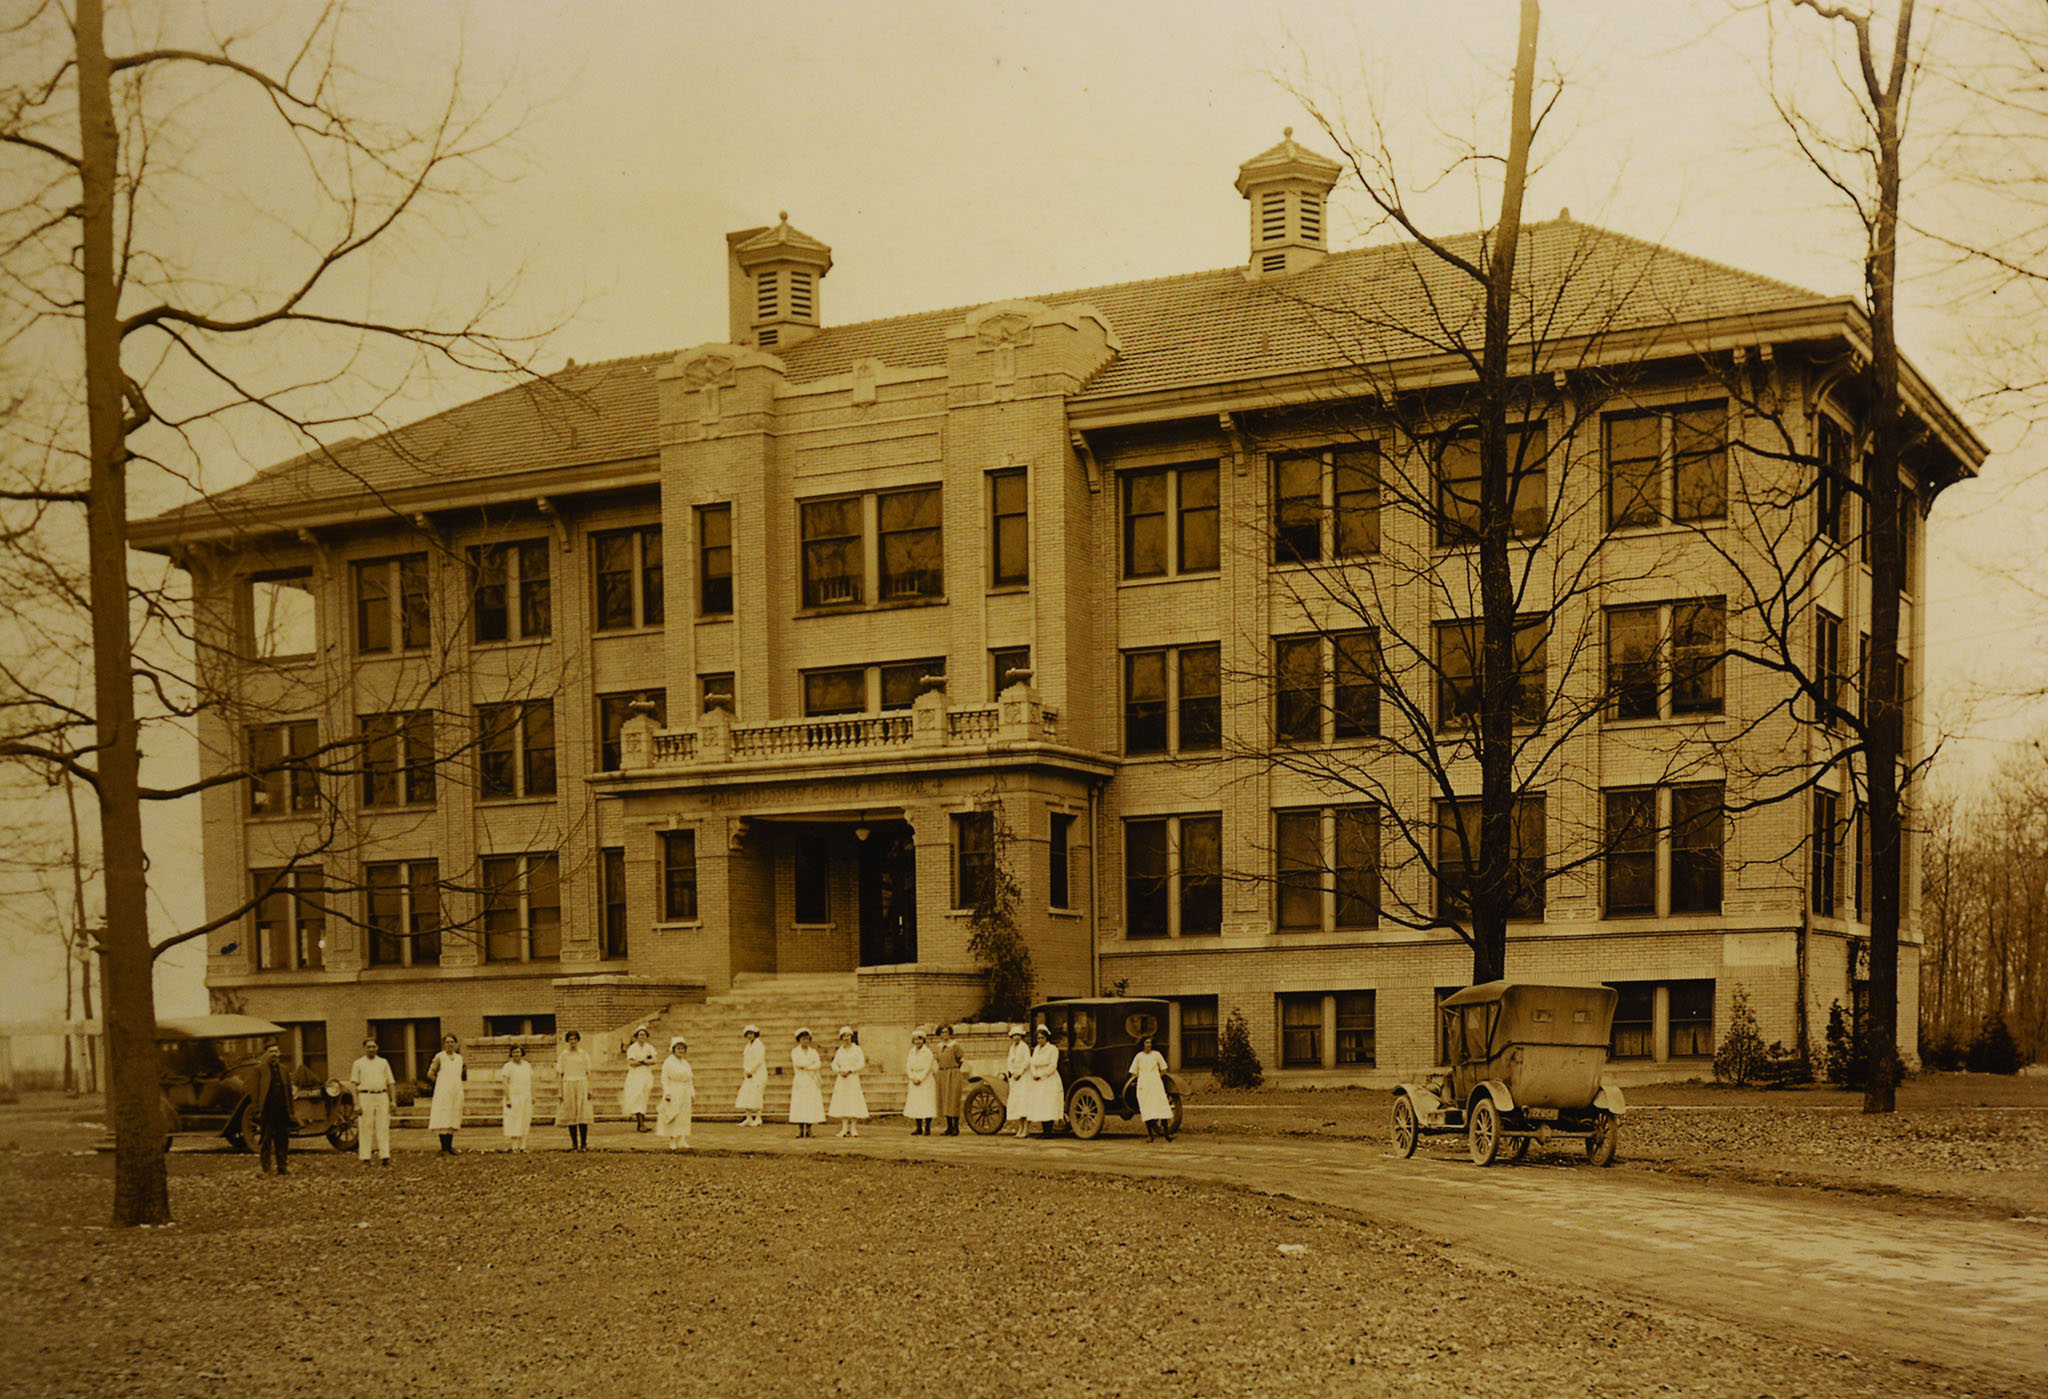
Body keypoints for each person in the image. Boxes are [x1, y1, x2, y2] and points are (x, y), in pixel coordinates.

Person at [249, 1041, 295, 1176]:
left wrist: (291, 1111)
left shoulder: (284, 1069)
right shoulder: (259, 1070)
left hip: (282, 1110)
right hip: (267, 1110)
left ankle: (282, 1167)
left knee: (283, 1140)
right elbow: (255, 1092)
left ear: (279, 1053)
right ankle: (266, 1168)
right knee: (266, 1140)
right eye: (271, 1052)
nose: (274, 1054)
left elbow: (288, 1091)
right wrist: (256, 1110)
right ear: (266, 1054)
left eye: (276, 1051)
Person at [349, 1036, 396, 1166]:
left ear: (377, 1048)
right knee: (365, 1127)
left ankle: (385, 1156)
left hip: (381, 1096)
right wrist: (356, 1103)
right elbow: (353, 1084)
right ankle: (365, 1157)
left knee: (383, 1126)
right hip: (365, 1096)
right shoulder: (358, 1063)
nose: (371, 1049)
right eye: (368, 1047)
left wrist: (393, 1101)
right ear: (364, 1048)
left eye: (373, 1046)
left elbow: (391, 1082)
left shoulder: (383, 1062)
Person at [426, 1034, 466, 1155]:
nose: (450, 1044)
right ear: (444, 1044)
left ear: (455, 1044)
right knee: (443, 1117)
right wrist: (440, 1084)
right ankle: (443, 1148)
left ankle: (450, 1146)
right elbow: (430, 1073)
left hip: (456, 1091)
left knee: (453, 1117)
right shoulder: (440, 1057)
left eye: (452, 1042)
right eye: (447, 1042)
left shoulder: (459, 1058)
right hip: (443, 1092)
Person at [555, 1029, 594, 1151]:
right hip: (568, 1084)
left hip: (582, 1083)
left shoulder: (583, 1054)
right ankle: (574, 1143)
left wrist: (589, 1089)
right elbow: (560, 1074)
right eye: (570, 1039)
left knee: (582, 1113)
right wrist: (560, 1091)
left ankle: (584, 1143)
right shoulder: (563, 1055)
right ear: (567, 1041)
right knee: (571, 1113)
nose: (573, 1042)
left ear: (578, 1040)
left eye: (575, 1039)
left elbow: (588, 1073)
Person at [1132, 1034, 1173, 1141]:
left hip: (1156, 1084)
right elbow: (1133, 1072)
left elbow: (1164, 1069)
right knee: (1147, 1109)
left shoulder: (1157, 1055)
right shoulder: (1139, 1056)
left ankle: (1167, 1134)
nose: (1148, 1045)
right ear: (1142, 1044)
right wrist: (1142, 1077)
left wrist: (1155, 1077)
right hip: (1144, 1086)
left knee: (1161, 1107)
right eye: (1146, 1042)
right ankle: (1150, 1135)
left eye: (1150, 1042)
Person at [829, 1026, 868, 1138]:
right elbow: (834, 1064)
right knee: (843, 1102)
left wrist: (851, 1070)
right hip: (842, 1079)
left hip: (852, 1078)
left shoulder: (857, 1049)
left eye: (848, 1035)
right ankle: (844, 1128)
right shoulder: (840, 1051)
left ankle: (854, 1128)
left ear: (851, 1037)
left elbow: (861, 1063)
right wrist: (839, 1071)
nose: (846, 1038)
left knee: (853, 1101)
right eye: (844, 1036)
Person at [657, 1037, 695, 1150]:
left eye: (683, 1048)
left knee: (684, 1115)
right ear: (673, 1049)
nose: (681, 1051)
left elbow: (689, 1079)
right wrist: (667, 1092)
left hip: (685, 1090)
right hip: (674, 1090)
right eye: (678, 1048)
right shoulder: (668, 1062)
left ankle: (682, 1139)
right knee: (674, 1114)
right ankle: (672, 1140)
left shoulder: (685, 1063)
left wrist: (692, 1093)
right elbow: (664, 1078)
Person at [1025, 1024, 1063, 1137]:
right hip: (1037, 1079)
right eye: (1038, 1038)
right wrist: (1034, 1074)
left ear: (1047, 1038)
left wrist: (1042, 1075)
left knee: (1048, 1104)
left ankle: (1049, 1131)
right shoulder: (1036, 1049)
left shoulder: (1052, 1049)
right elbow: (1032, 1063)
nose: (1040, 1040)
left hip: (1048, 1079)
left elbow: (1052, 1065)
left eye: (1042, 1038)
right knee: (1040, 1104)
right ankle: (1043, 1130)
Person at [788, 1028, 825, 1138]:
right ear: (799, 1040)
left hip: (811, 1080)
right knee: (800, 1104)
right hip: (800, 1080)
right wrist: (810, 1065)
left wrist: (807, 1067)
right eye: (803, 1039)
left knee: (810, 1104)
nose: (806, 1041)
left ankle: (809, 1129)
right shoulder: (795, 1051)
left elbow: (818, 1064)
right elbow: (798, 1063)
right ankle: (800, 1129)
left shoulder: (813, 1052)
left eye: (808, 1039)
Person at [621, 1027, 658, 1133]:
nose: (642, 1037)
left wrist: (641, 1061)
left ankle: (641, 1124)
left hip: (646, 1074)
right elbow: (631, 1063)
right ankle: (641, 1124)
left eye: (644, 1035)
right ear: (636, 1036)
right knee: (637, 1097)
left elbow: (655, 1060)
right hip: (635, 1076)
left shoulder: (649, 1047)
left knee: (644, 1097)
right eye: (640, 1035)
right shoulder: (632, 1048)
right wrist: (645, 1061)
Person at [902, 1027, 937, 1135]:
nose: (918, 1041)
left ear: (923, 1040)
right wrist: (912, 1077)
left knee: (926, 1103)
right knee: (916, 1103)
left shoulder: (928, 1052)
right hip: (914, 1079)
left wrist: (920, 1078)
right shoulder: (911, 1052)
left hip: (925, 1080)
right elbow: (908, 1066)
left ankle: (927, 1127)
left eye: (920, 1039)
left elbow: (928, 1067)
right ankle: (918, 1127)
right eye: (916, 1039)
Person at [500, 1044, 534, 1151]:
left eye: (518, 1052)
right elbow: (505, 1083)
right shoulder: (508, 1066)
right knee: (513, 1120)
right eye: (514, 1052)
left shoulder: (527, 1065)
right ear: (511, 1054)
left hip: (525, 1096)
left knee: (525, 1119)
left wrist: (533, 1095)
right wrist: (508, 1098)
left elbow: (531, 1082)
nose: (516, 1054)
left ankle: (523, 1145)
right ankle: (514, 1146)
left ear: (522, 1053)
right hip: (513, 1097)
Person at [933, 1024, 965, 1136]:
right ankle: (949, 1126)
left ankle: (956, 1127)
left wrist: (955, 1070)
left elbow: (961, 1059)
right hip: (942, 1073)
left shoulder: (955, 1045)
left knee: (953, 1099)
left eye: (946, 1032)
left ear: (950, 1033)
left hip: (953, 1073)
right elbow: (937, 1059)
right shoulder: (939, 1046)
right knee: (944, 1099)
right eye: (942, 1032)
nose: (944, 1034)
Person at [734, 1025, 767, 1128]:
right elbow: (745, 1060)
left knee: (757, 1094)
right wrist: (746, 1071)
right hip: (748, 1074)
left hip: (758, 1073)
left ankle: (758, 1118)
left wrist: (751, 1070)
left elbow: (759, 1060)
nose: (749, 1036)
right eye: (748, 1034)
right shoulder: (747, 1046)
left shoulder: (759, 1045)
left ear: (755, 1034)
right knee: (746, 1094)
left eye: (751, 1034)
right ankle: (748, 1118)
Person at [1002, 1024, 1031, 1138]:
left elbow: (1027, 1061)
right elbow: (1009, 1061)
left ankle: (1026, 1129)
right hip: (1014, 1078)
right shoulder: (1012, 1048)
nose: (1016, 1038)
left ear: (1021, 1036)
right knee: (1017, 1102)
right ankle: (1019, 1128)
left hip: (1023, 1077)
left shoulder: (1024, 1047)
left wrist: (1020, 1072)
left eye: (1018, 1035)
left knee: (1024, 1101)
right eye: (1014, 1035)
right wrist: (1012, 1072)